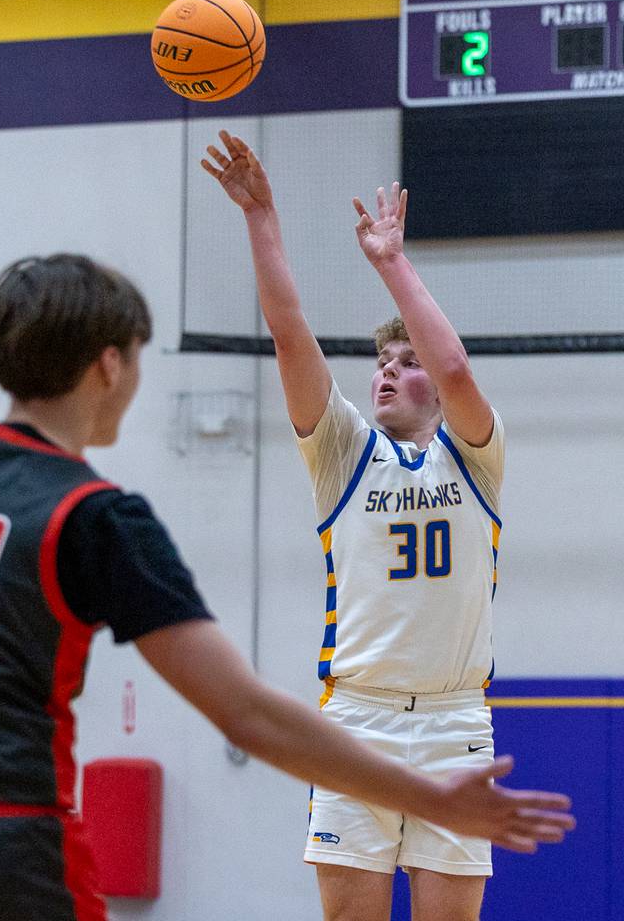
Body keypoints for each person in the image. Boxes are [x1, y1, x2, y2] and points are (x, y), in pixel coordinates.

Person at [0, 254, 572, 921]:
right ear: (111, 366)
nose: (386, 371)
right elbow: (244, 711)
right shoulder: (95, 518)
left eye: (408, 362)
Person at [202, 132, 536, 921]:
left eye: (403, 362)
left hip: (455, 718)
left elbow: (453, 369)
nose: (388, 370)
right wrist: (262, 215)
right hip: (357, 718)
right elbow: (289, 333)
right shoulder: (343, 454)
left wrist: (390, 260)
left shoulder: (475, 456)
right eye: (380, 364)